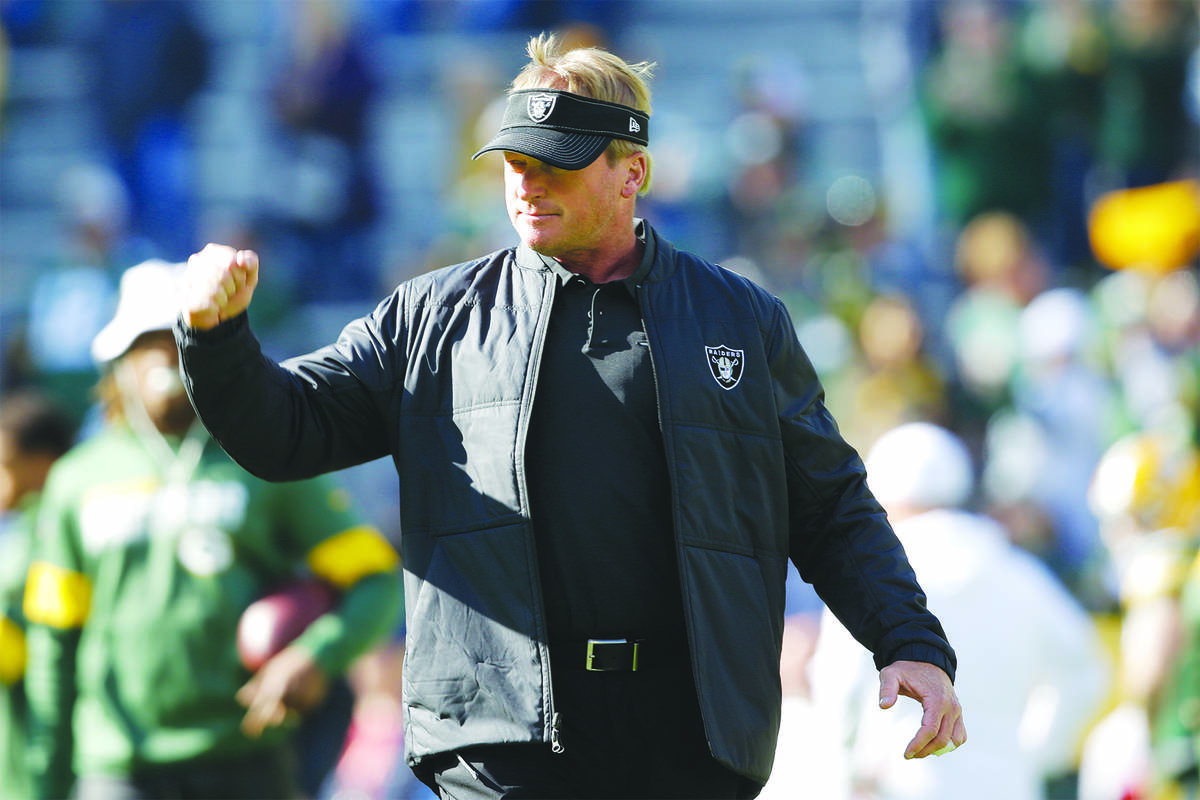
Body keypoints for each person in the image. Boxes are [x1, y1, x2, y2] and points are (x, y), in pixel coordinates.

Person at [175, 33, 965, 798]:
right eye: (515, 163)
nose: (527, 183)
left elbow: (828, 502)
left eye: (555, 164)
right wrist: (216, 339)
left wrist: (909, 642)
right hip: (499, 741)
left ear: (634, 171)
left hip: (689, 736)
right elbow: (283, 430)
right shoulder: (430, 317)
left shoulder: (741, 319)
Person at [23, 259, 404, 800]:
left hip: (247, 753)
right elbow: (52, 643)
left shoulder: (268, 460)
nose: (166, 356)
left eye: (180, 336)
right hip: (117, 762)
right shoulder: (76, 478)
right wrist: (43, 778)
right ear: (120, 359)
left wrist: (314, 654)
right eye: (150, 340)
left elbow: (375, 579)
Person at [806, 422, 1109, 800]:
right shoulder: (1015, 570)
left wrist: (848, 775)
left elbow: (838, 685)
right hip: (1005, 786)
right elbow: (1085, 667)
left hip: (900, 785)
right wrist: (1035, 752)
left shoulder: (868, 581)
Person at [0, 389, 76, 800]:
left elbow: (10, 655)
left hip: (45, 758)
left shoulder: (37, 537)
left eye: (5, 467)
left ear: (45, 464)